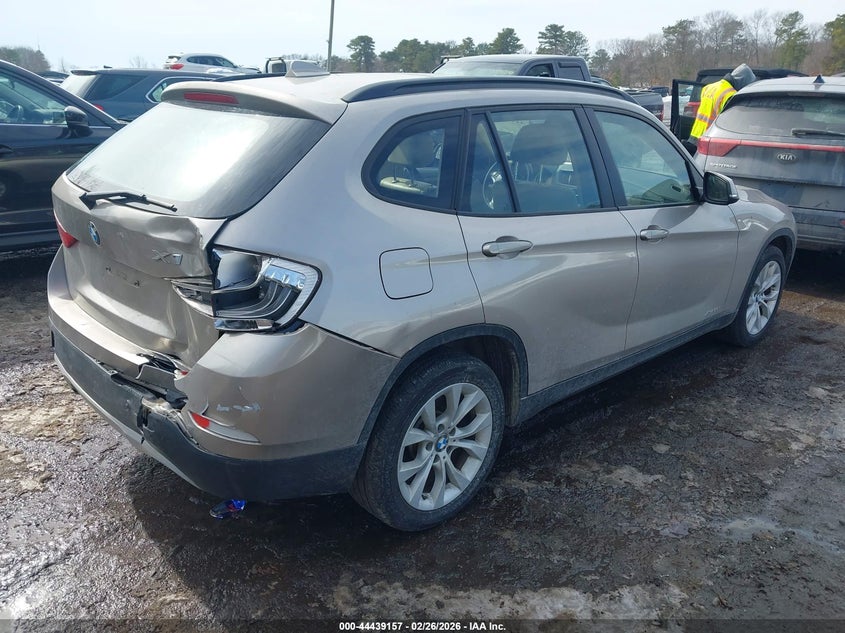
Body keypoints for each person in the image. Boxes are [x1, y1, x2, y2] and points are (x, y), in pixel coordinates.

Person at [688, 63, 757, 148]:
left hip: (695, 135)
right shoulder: (730, 95)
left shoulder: (709, 87)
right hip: (711, 139)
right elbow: (732, 124)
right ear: (742, 81)